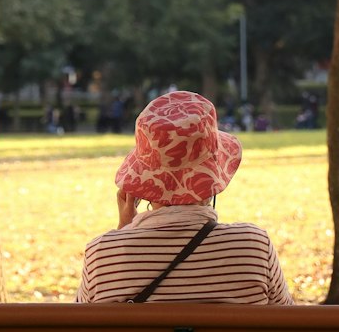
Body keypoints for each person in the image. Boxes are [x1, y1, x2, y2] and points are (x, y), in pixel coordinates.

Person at [77, 90, 292, 305]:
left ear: (141, 185)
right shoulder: (253, 246)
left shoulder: (102, 256)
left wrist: (124, 230)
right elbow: (288, 329)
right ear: (212, 176)